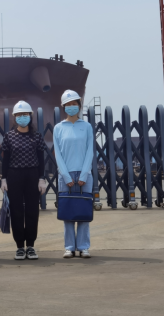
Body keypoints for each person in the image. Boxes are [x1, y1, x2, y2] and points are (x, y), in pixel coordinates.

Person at [0, 101, 47, 260]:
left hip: (32, 174)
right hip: (14, 175)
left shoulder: (37, 136)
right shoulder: (9, 136)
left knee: (32, 210)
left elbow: (41, 159)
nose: (22, 117)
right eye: (19, 115)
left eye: (25, 114)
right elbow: (5, 160)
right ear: (14, 117)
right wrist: (4, 178)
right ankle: (20, 246)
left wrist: (41, 178)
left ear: (30, 116)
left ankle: (31, 245)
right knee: (16, 211)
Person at [53, 89, 94, 259]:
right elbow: (58, 154)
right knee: (68, 213)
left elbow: (90, 151)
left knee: (84, 212)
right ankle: (69, 247)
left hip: (85, 174)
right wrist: (66, 176)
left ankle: (83, 247)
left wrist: (84, 175)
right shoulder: (58, 128)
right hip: (66, 175)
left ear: (79, 105)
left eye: (74, 104)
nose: (71, 107)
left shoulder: (87, 126)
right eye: (68, 104)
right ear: (63, 107)